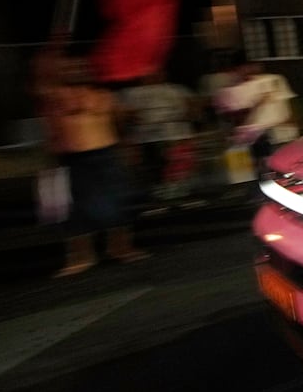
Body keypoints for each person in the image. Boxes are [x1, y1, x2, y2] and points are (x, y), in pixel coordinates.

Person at [34, 49, 147, 277]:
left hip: (107, 154)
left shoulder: (105, 96)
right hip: (74, 159)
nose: (78, 70)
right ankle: (81, 257)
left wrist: (130, 138)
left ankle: (120, 247)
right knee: (77, 211)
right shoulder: (57, 95)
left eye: (82, 67)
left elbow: (122, 123)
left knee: (119, 203)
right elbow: (40, 83)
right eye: (71, 68)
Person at [119, 68, 199, 208]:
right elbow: (123, 119)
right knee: (153, 178)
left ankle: (182, 203)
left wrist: (186, 113)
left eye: (157, 70)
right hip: (146, 141)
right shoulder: (130, 94)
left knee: (178, 176)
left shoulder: (177, 90)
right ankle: (158, 206)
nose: (154, 74)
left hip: (176, 138)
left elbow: (194, 111)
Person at [219, 61, 297, 175]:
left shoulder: (274, 80)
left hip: (279, 129)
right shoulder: (237, 89)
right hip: (257, 133)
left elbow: (288, 102)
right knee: (264, 165)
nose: (251, 69)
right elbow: (233, 113)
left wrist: (292, 121)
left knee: (285, 164)